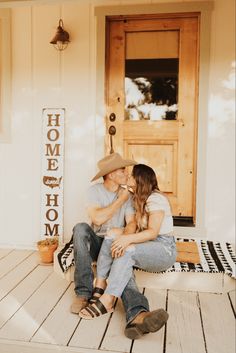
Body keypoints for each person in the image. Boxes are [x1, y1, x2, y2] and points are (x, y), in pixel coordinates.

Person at [71, 154, 170, 340]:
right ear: (110, 174)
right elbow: (97, 219)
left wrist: (124, 240)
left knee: (122, 262)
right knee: (80, 229)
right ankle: (83, 292)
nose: (126, 173)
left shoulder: (132, 195)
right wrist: (120, 200)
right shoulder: (94, 192)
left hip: (117, 240)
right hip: (97, 241)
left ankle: (137, 313)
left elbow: (131, 223)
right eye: (122, 170)